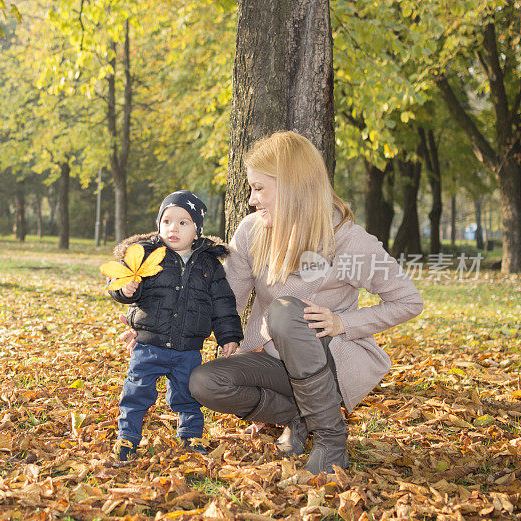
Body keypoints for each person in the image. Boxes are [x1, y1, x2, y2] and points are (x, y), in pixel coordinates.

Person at [122, 132, 423, 474]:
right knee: (202, 382)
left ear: (292, 185)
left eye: (259, 188)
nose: (251, 200)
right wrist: (154, 327)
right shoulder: (251, 231)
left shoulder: (350, 240)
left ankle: (330, 438)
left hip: (330, 364)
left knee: (285, 311)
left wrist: (344, 323)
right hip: (273, 363)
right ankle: (298, 418)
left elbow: (408, 301)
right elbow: (225, 302)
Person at [107, 190, 243, 462]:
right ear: (159, 224)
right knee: (136, 391)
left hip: (188, 347)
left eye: (183, 223)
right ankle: (127, 437)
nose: (173, 228)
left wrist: (229, 335)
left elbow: (222, 302)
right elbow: (117, 284)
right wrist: (127, 290)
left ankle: (191, 435)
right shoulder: (146, 255)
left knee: (187, 394)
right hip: (149, 344)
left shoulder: (209, 264)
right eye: (167, 221)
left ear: (197, 231)